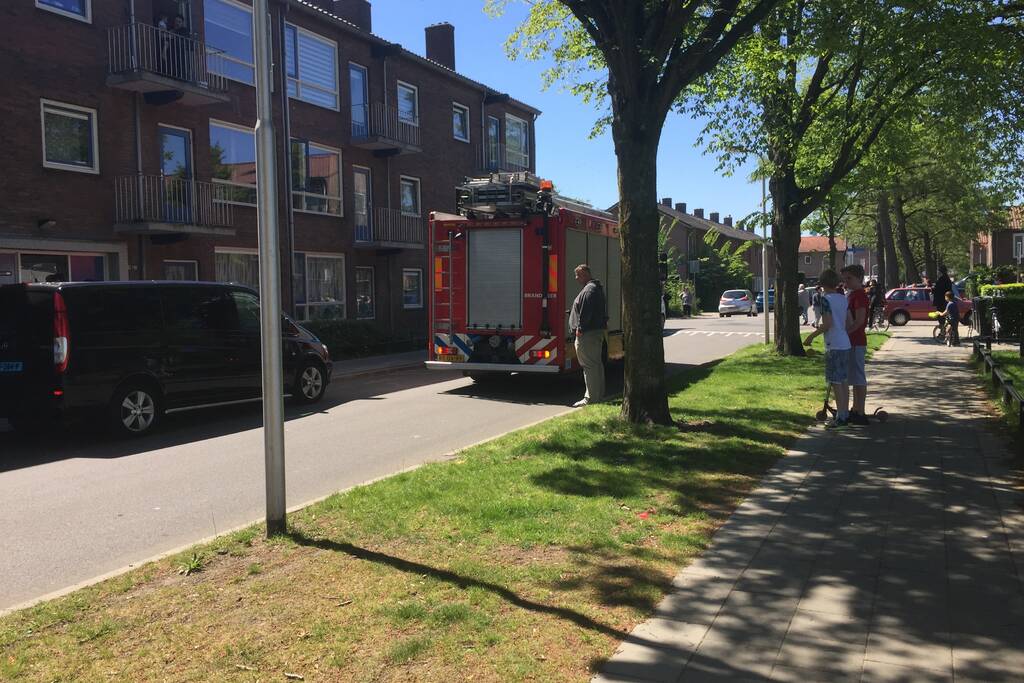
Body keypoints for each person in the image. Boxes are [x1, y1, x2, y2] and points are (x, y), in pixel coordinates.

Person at [804, 269, 852, 429]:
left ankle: (841, 418)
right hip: (845, 342)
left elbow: (827, 324)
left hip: (834, 344)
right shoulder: (843, 298)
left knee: (836, 382)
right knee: (844, 381)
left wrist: (811, 336)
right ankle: (845, 413)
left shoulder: (825, 300)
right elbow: (848, 322)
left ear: (822, 283)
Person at [568, 264, 607, 407]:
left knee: (589, 366)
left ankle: (590, 398)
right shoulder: (595, 288)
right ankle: (598, 395)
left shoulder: (589, 290)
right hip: (593, 332)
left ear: (585, 274)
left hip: (587, 335)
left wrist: (580, 328)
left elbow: (586, 312)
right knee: (596, 365)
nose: (576, 278)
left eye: (578, 275)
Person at [841, 264, 870, 425]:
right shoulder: (852, 294)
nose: (846, 282)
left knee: (858, 377)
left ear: (859, 278)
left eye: (849, 279)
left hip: (856, 341)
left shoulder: (859, 295)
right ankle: (855, 408)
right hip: (851, 340)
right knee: (854, 376)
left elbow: (859, 321)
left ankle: (861, 411)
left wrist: (845, 334)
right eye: (844, 279)